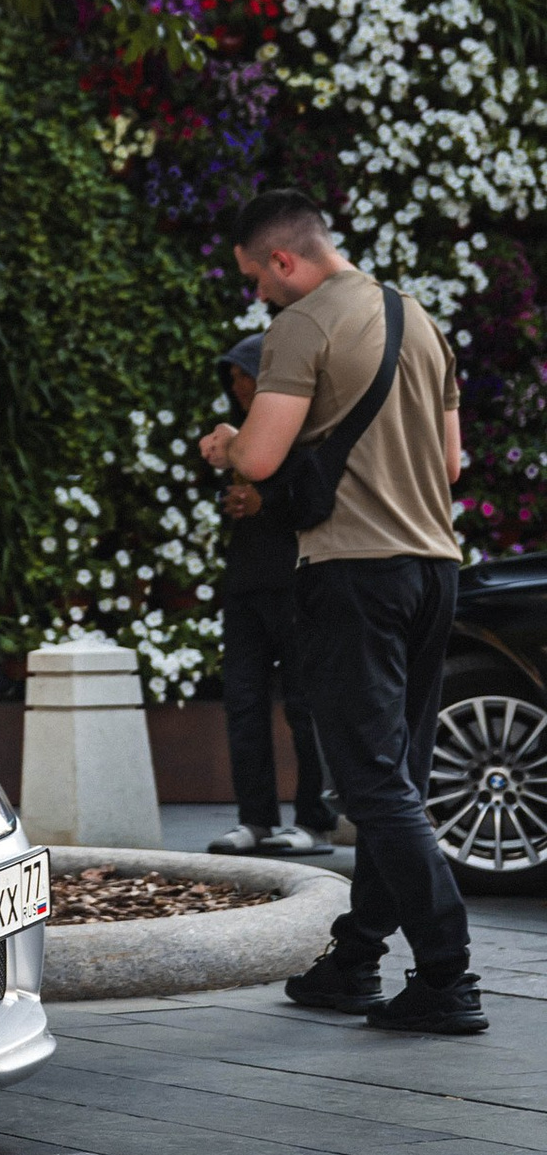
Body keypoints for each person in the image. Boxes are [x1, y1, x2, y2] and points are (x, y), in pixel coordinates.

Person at [200, 185, 476, 1035]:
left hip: (355, 573)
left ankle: (448, 977)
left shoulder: (302, 325)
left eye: (256, 277)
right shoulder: (420, 320)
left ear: (285, 259)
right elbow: (452, 464)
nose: (258, 295)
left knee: (373, 786)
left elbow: (261, 456)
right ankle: (354, 960)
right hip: (434, 568)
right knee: (397, 780)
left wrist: (228, 445)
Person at [211, 332, 333, 853]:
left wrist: (267, 502)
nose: (239, 385)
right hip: (245, 585)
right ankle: (255, 819)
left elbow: (317, 499)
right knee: (243, 701)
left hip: (296, 583)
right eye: (233, 377)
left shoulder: (305, 434)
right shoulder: (238, 439)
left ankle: (314, 821)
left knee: (305, 704)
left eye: (247, 375)